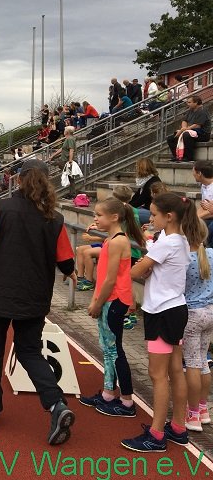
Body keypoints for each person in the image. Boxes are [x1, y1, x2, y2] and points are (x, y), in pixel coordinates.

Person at [0, 158, 76, 444]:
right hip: (33, 295)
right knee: (29, 352)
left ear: (18, 180)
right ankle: (56, 404)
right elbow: (66, 261)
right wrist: (71, 273)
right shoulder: (54, 219)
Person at [121, 193, 194, 452]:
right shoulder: (179, 240)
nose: (150, 219)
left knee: (157, 375)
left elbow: (136, 270)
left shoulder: (168, 242)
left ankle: (156, 434)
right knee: (175, 370)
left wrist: (136, 265)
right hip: (174, 309)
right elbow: (152, 264)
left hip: (162, 311)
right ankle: (178, 426)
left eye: (154, 215)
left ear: (169, 216)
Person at [79, 198, 144, 417]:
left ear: (114, 217)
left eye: (99, 215)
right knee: (108, 349)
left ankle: (126, 401)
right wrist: (96, 299)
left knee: (115, 351)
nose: (95, 218)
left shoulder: (117, 241)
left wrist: (97, 302)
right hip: (109, 299)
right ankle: (108, 393)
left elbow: (110, 279)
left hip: (114, 301)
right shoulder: (111, 239)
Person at [181, 219, 213, 432]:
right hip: (210, 311)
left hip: (192, 313)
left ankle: (192, 414)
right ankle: (203, 408)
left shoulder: (184, 259)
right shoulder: (210, 254)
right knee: (203, 360)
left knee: (191, 363)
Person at [167, 96, 211, 162]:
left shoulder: (202, 111)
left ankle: (188, 157)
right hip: (190, 131)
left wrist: (183, 130)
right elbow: (184, 120)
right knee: (171, 138)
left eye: (189, 102)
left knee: (186, 135)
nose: (187, 104)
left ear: (196, 103)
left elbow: (197, 125)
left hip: (203, 133)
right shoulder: (190, 110)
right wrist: (183, 128)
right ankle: (177, 156)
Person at [130, 158, 162, 225]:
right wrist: (127, 205)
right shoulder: (146, 180)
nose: (136, 168)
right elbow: (136, 197)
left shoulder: (153, 182)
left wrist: (127, 207)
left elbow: (141, 200)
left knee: (127, 214)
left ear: (142, 168)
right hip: (145, 208)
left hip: (151, 212)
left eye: (137, 166)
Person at [51, 126, 77, 198]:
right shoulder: (67, 139)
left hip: (67, 160)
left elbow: (71, 150)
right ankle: (72, 194)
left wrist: (70, 161)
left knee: (70, 177)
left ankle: (72, 194)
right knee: (70, 178)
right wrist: (53, 155)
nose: (63, 131)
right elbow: (62, 149)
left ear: (67, 132)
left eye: (65, 130)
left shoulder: (70, 139)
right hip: (64, 159)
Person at [194, 161, 213, 245]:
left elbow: (211, 211)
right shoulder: (203, 185)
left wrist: (195, 218)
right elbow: (204, 206)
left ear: (199, 173)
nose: (193, 174)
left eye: (194, 172)